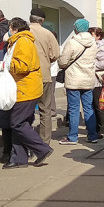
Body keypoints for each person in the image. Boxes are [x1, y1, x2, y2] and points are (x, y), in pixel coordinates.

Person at [2, 17, 53, 169]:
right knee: (21, 123)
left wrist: (6, 65)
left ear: (15, 29)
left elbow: (23, 66)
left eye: (10, 28)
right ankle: (19, 158)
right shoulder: (20, 40)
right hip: (24, 88)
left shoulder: (22, 41)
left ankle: (42, 149)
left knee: (17, 123)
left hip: (26, 89)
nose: (9, 31)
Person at [57, 19, 98, 145]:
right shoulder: (93, 43)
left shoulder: (72, 42)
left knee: (74, 109)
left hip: (74, 79)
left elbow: (63, 61)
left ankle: (72, 137)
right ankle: (92, 135)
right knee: (89, 108)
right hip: (88, 79)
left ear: (76, 28)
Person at [28, 8, 60, 144]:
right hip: (44, 75)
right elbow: (55, 55)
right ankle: (44, 142)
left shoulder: (23, 32)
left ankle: (27, 140)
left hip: (26, 76)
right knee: (45, 110)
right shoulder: (47, 34)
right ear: (42, 20)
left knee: (26, 110)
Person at [89, 26, 104, 138]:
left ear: (98, 36)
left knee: (99, 105)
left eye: (92, 34)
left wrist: (91, 66)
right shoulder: (95, 45)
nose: (90, 36)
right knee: (95, 104)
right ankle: (99, 129)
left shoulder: (101, 46)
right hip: (93, 79)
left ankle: (103, 130)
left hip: (98, 79)